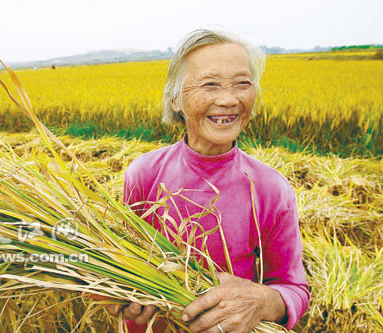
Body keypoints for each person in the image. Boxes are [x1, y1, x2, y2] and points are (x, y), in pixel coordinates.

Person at [106, 29, 310, 332]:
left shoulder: (270, 189)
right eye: (210, 85)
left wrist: (262, 300)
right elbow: (120, 261)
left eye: (243, 84)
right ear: (175, 99)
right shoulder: (144, 174)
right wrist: (117, 294)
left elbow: (294, 289)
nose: (228, 100)